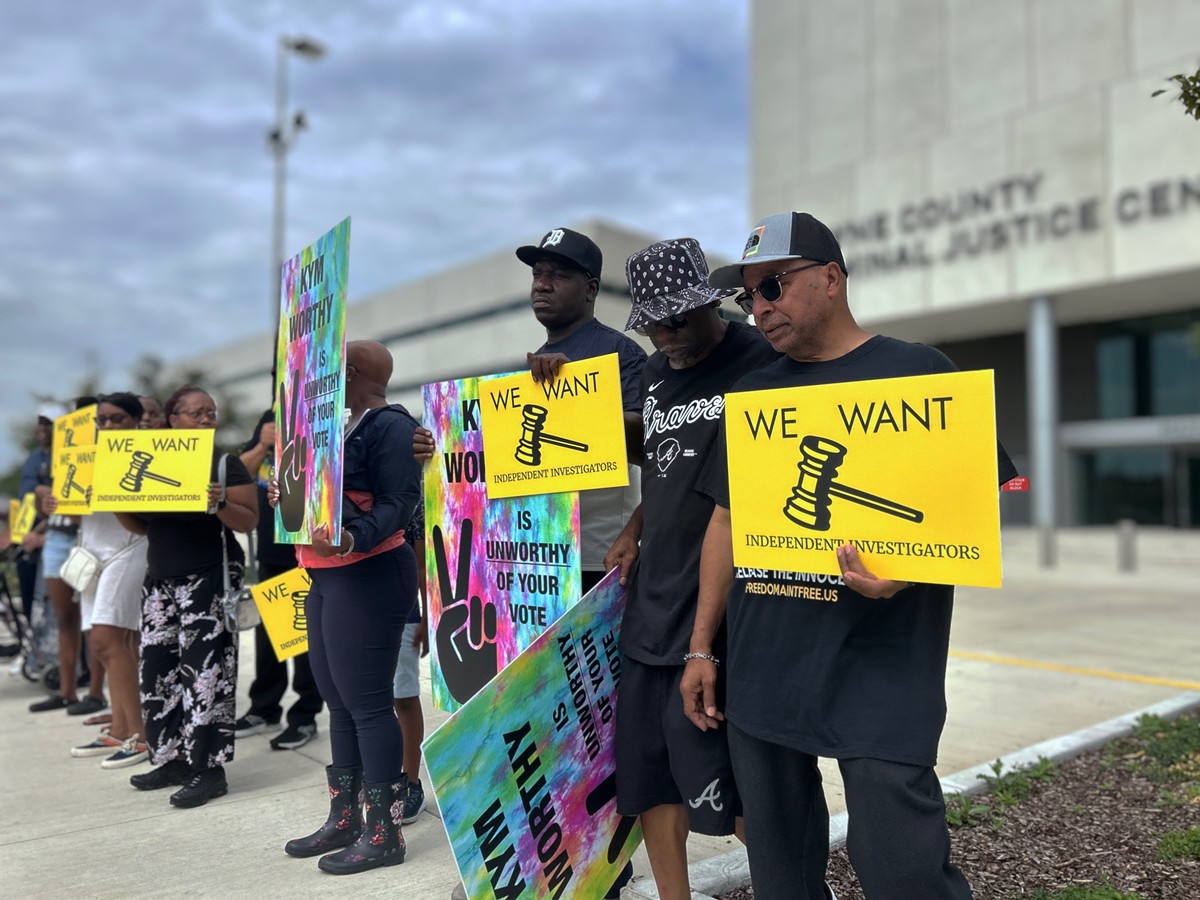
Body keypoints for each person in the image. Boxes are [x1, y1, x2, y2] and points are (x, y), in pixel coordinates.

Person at [682, 212, 1017, 900]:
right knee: (779, 868)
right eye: (750, 297)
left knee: (902, 865)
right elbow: (726, 520)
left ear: (830, 279)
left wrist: (911, 568)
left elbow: (977, 501)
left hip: (882, 667)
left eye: (772, 284)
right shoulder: (751, 395)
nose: (761, 308)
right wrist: (700, 648)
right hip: (764, 662)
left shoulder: (918, 372)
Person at [601, 239, 779, 900]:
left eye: (677, 319)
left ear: (708, 303)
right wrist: (633, 527)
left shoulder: (762, 358)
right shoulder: (653, 375)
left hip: (732, 611)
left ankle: (789, 887)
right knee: (650, 774)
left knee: (737, 785)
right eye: (653, 322)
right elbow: (668, 473)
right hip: (654, 599)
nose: (666, 334)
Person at [278, 340, 421, 875]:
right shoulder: (334, 426)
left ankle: (383, 832)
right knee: (337, 700)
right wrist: (286, 495)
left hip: (369, 571)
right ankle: (346, 816)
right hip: (327, 574)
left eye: (329, 367)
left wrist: (353, 536)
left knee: (366, 702)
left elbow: (398, 504)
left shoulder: (391, 426)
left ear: (352, 370)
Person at [116, 386, 257, 808]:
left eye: (210, 412)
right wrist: (114, 499)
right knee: (158, 671)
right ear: (172, 419)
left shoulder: (224, 463)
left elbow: (247, 520)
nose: (205, 419)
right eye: (195, 413)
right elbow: (141, 525)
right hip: (161, 579)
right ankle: (173, 757)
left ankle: (209, 769)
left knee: (206, 674)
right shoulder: (153, 460)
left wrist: (216, 505)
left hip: (209, 577)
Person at [517, 227, 648, 592]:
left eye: (558, 275)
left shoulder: (621, 354)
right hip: (540, 552)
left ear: (591, 289)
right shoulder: (534, 363)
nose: (541, 285)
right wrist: (444, 447)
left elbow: (646, 441)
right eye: (537, 274)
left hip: (598, 557)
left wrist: (573, 400)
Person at [63, 393, 150, 768]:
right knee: (109, 644)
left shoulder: (145, 451)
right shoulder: (83, 456)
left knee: (107, 638)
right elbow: (81, 516)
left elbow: (144, 515)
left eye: (117, 418)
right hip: (93, 552)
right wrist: (61, 503)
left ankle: (142, 735)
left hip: (129, 548)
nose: (109, 426)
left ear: (136, 419)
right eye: (103, 420)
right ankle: (120, 727)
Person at [233, 410, 323, 751]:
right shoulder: (270, 419)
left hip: (303, 552)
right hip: (269, 554)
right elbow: (237, 475)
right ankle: (264, 708)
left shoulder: (313, 413)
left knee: (302, 638)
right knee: (268, 638)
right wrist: (262, 444)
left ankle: (304, 716)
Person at [30, 396, 105, 716]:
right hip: (58, 538)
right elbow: (47, 504)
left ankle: (97, 692)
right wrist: (41, 501)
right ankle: (67, 691)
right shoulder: (53, 457)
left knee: (95, 619)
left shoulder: (104, 451)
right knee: (65, 618)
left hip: (88, 538)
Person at [392, 503, 427, 824]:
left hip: (402, 611)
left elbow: (421, 564)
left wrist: (429, 615)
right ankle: (379, 780)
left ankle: (411, 782)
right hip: (353, 607)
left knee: (403, 694)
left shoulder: (410, 498)